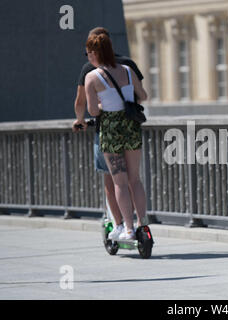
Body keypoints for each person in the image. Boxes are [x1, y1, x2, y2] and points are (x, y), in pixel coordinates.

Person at [72, 27, 144, 240]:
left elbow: (92, 110)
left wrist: (102, 106)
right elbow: (143, 95)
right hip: (131, 126)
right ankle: (143, 223)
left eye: (89, 52)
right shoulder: (128, 69)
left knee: (118, 182)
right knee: (135, 180)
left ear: (94, 52)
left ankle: (127, 228)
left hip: (110, 129)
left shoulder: (92, 76)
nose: (88, 56)